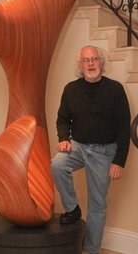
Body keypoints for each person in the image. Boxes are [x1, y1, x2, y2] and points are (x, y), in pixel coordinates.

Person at [51, 45, 131, 254]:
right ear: (80, 65)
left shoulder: (115, 90)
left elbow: (124, 127)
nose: (91, 63)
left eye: (94, 59)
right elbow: (62, 119)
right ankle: (72, 209)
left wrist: (119, 161)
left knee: (97, 205)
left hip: (104, 152)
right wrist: (63, 139)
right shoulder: (71, 89)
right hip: (78, 146)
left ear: (101, 63)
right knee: (57, 164)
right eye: (86, 60)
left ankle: (91, 250)